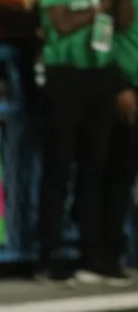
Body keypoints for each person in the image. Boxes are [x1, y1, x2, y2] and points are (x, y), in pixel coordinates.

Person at [36, 0, 123, 282]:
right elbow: (61, 24)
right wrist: (98, 10)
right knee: (59, 167)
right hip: (65, 74)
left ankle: (92, 254)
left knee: (95, 168)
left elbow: (123, 22)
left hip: (100, 72)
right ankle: (48, 254)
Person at [99, 0, 138, 284]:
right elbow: (102, 41)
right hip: (127, 89)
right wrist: (118, 86)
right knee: (120, 176)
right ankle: (109, 255)